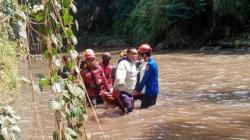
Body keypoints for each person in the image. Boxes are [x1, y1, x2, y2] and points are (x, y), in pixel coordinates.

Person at [113, 48, 139, 113]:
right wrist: (121, 79)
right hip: (122, 92)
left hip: (130, 93)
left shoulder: (133, 63)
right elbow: (120, 71)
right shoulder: (123, 63)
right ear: (127, 55)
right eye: (133, 54)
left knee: (130, 110)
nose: (135, 55)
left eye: (136, 54)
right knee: (128, 110)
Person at [133, 44, 159, 108]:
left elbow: (145, 79)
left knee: (143, 110)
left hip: (149, 92)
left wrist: (138, 90)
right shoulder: (152, 62)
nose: (138, 56)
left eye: (139, 54)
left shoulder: (149, 64)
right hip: (153, 91)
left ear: (144, 55)